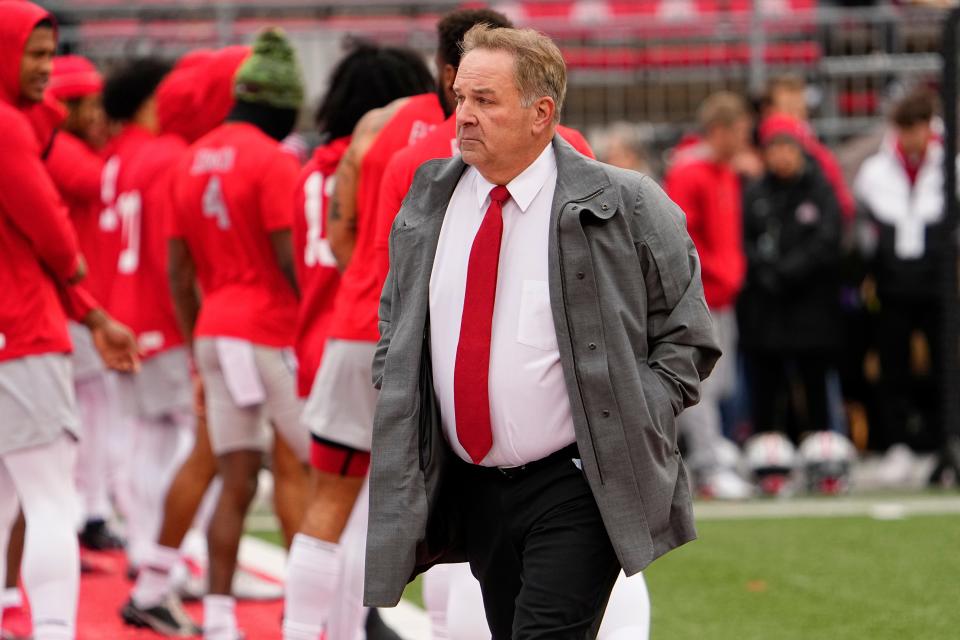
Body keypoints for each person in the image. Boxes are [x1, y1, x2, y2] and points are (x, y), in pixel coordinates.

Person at [365, 24, 719, 638]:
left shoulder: (627, 203)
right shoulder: (430, 197)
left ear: (541, 113)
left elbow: (688, 332)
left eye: (485, 100)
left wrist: (638, 412)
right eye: (460, 99)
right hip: (474, 489)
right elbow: (397, 318)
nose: (464, 116)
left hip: (576, 483)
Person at [283, 42, 440, 640]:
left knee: (326, 502)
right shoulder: (419, 144)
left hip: (324, 338)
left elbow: (325, 251)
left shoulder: (318, 166)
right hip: (392, 333)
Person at [163, 29, 308, 640]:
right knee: (316, 468)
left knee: (236, 475)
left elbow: (178, 270)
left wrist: (198, 341)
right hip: (267, 329)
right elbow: (287, 256)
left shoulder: (191, 157)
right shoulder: (272, 160)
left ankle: (219, 620)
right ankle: (315, 613)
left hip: (215, 329)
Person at [0, 2, 139, 638]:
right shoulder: (7, 127)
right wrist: (87, 295)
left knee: (8, 496)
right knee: (50, 494)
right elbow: (51, 231)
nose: (45, 70)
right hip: (24, 331)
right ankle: (54, 628)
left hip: (26, 326)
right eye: (35, 54)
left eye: (50, 55)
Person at [44, 53, 129, 552]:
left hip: (81, 300)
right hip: (75, 302)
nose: (99, 115)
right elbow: (106, 182)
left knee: (92, 412)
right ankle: (86, 511)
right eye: (89, 105)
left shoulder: (61, 147)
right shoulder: (62, 151)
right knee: (89, 413)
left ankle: (86, 509)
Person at [663, 92, 753, 500]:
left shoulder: (724, 172)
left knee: (720, 384)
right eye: (738, 132)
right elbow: (679, 238)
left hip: (723, 295)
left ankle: (706, 457)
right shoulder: (690, 173)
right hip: (698, 297)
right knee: (702, 386)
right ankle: (707, 467)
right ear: (718, 130)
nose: (743, 141)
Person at [853, 89, 946, 473]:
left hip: (937, 282)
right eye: (906, 129)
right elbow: (863, 229)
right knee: (893, 366)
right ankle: (896, 445)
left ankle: (944, 441)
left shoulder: (948, 167)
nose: (913, 138)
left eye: (919, 128)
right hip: (891, 284)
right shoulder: (875, 172)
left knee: (944, 364)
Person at [739, 115, 844, 447]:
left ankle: (820, 446)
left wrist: (789, 270)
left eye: (788, 147)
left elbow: (827, 241)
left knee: (813, 381)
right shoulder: (755, 192)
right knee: (768, 384)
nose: (782, 156)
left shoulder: (820, 188)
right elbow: (744, 240)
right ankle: (768, 452)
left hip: (811, 306)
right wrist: (765, 271)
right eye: (775, 148)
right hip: (768, 309)